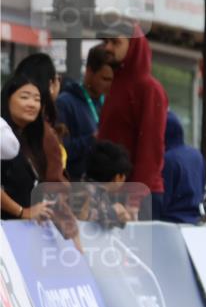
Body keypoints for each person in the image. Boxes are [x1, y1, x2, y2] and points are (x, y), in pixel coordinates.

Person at [97, 25, 168, 219]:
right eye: (106, 42)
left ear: (133, 46)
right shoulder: (117, 85)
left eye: (115, 42)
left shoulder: (149, 89)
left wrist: (134, 198)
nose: (108, 47)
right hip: (115, 191)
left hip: (136, 198)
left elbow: (151, 148)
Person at [0, 74, 80, 244]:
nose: (32, 104)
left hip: (24, 238)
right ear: (7, 99)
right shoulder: (4, 140)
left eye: (37, 99)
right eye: (24, 97)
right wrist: (22, 211)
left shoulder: (34, 141)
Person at [56, 44, 114, 180]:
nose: (110, 85)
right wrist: (92, 139)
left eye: (113, 80)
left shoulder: (110, 101)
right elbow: (61, 151)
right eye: (105, 79)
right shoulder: (64, 103)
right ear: (89, 72)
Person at [13, 53, 67, 182]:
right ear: (50, 85)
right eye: (57, 78)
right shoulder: (43, 132)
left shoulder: (11, 123)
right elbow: (55, 183)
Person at [75, 139, 134, 228]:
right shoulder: (87, 192)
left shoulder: (87, 187)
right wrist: (114, 212)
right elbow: (84, 218)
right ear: (118, 178)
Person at [161, 110, 205, 224]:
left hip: (171, 222)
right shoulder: (196, 155)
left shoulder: (168, 159)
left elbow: (163, 199)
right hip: (194, 220)